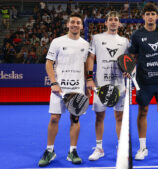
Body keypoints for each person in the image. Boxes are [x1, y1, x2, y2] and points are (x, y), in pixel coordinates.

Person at [38, 13, 89, 167]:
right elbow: (49, 63)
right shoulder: (57, 42)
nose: (75, 25)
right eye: (72, 22)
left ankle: (72, 151)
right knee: (54, 118)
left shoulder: (85, 44)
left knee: (75, 119)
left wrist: (86, 86)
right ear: (68, 24)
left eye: (78, 22)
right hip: (58, 88)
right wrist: (53, 82)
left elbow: (86, 67)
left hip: (77, 88)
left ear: (81, 26)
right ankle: (49, 150)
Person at [128, 2, 158, 160]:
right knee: (143, 112)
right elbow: (133, 56)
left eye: (153, 14)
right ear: (143, 17)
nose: (150, 17)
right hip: (143, 82)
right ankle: (142, 148)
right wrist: (129, 69)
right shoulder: (136, 35)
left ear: (157, 16)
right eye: (147, 14)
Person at [85, 11, 129, 161]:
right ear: (106, 23)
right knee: (99, 117)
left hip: (119, 85)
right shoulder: (96, 38)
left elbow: (128, 61)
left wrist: (129, 71)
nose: (113, 22)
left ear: (119, 23)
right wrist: (89, 78)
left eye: (116, 20)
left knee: (120, 117)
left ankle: (121, 147)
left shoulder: (124, 41)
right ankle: (99, 148)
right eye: (110, 19)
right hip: (101, 85)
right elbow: (90, 58)